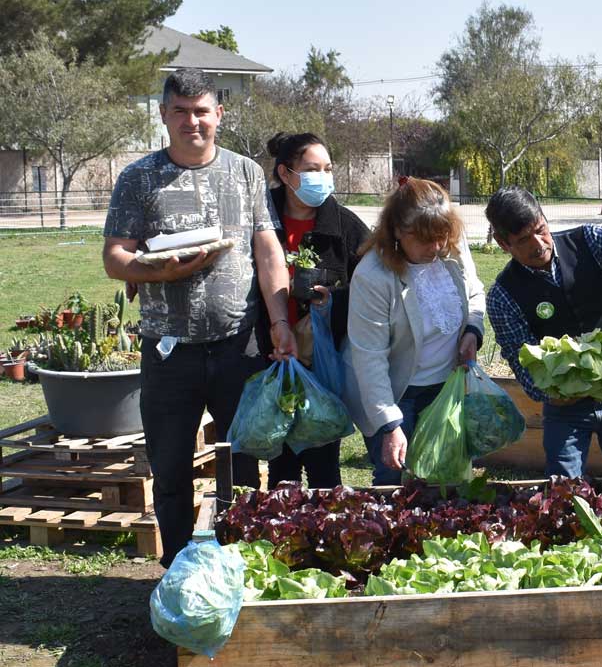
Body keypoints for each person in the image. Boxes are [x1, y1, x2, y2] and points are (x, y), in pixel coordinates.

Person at [102, 68, 297, 567]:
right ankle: (178, 571)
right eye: (182, 112)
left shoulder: (246, 173)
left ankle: (236, 563)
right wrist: (160, 272)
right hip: (169, 351)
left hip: (239, 346)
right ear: (165, 115)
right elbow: (115, 258)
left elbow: (268, 250)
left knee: (244, 459)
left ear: (219, 115)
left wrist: (278, 322)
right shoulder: (138, 178)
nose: (193, 121)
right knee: (170, 469)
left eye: (202, 111)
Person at [484, 186, 602, 478]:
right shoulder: (503, 296)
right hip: (565, 410)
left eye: (540, 229)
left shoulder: (588, 240)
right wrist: (550, 394)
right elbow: (521, 361)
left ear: (544, 217)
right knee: (564, 492)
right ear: (503, 244)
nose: (539, 244)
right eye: (523, 240)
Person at [342, 177, 485, 485]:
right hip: (396, 394)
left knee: (448, 479)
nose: (435, 247)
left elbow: (474, 292)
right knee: (396, 484)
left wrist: (472, 330)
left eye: (441, 236)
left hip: (446, 389)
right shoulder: (373, 276)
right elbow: (370, 359)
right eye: (423, 239)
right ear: (396, 231)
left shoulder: (452, 249)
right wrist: (390, 425)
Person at [260, 132, 370, 490]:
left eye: (327, 169)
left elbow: (372, 286)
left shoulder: (345, 226)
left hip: (322, 364)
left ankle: (326, 537)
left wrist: (334, 300)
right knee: (281, 468)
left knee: (324, 466)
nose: (322, 177)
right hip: (270, 361)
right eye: (311, 169)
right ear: (286, 173)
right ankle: (284, 536)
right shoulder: (261, 217)